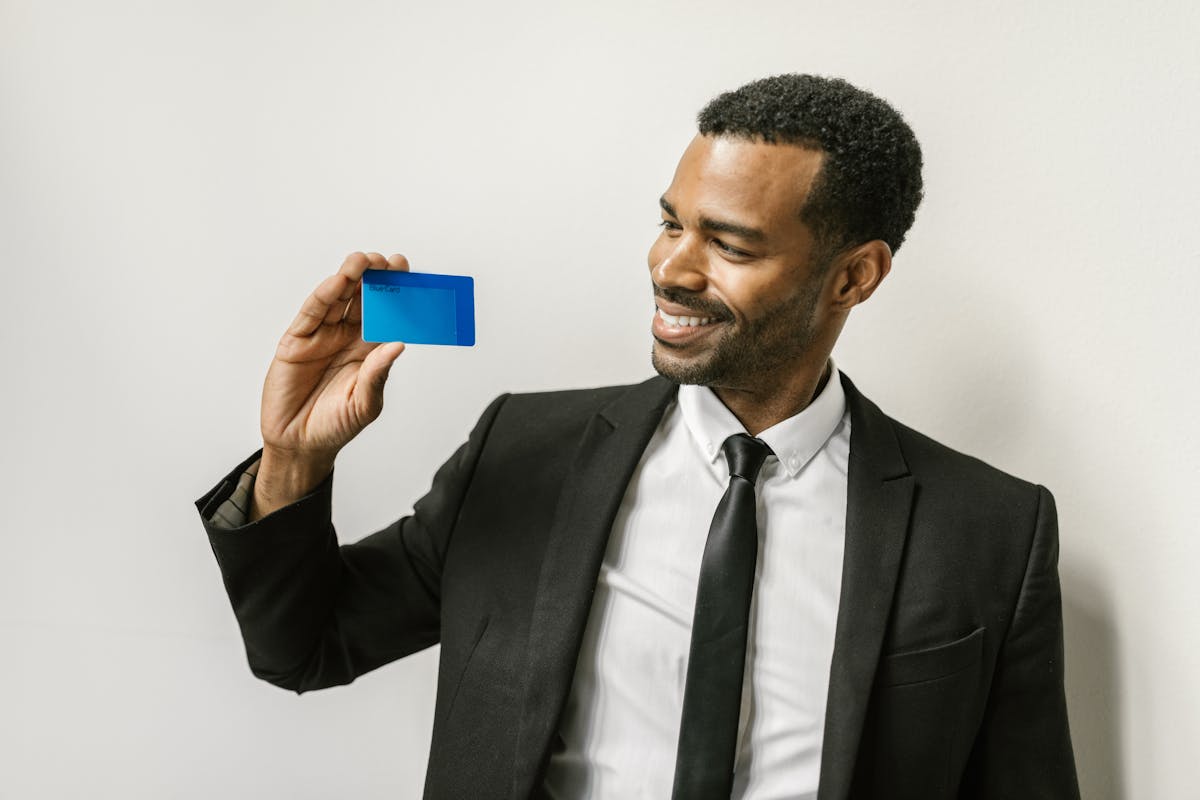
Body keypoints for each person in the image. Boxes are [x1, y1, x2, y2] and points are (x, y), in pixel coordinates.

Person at [197, 74, 1080, 799]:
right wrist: (295, 458)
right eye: (670, 223)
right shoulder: (524, 450)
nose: (671, 268)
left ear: (855, 276)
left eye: (729, 244)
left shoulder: (992, 531)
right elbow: (303, 647)